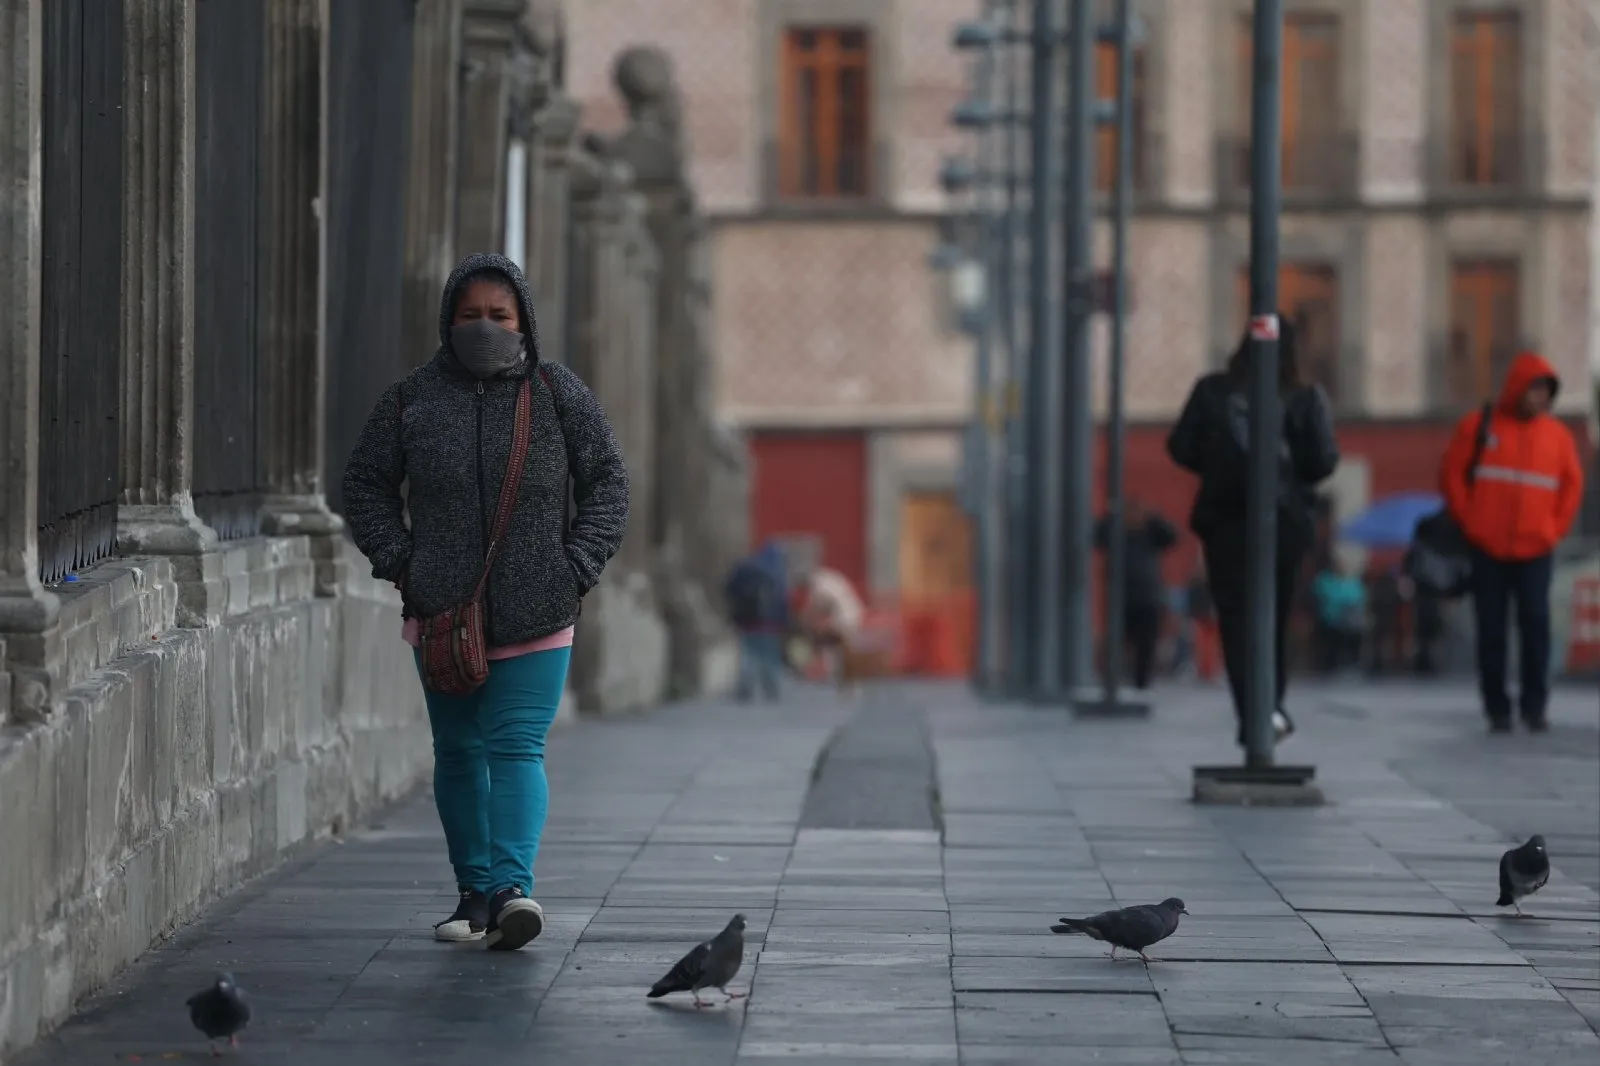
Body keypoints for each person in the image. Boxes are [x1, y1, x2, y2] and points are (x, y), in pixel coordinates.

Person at [342, 252, 629, 950]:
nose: (484, 327)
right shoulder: (410, 401)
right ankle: (472, 892)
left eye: (498, 316)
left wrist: (576, 566)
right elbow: (365, 486)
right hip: (442, 613)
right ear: (448, 320)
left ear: (523, 320)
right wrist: (404, 564)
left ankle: (510, 890)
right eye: (470, 315)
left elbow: (607, 483)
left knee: (518, 746)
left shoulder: (558, 395)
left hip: (540, 607)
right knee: (460, 751)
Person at [1166, 314, 1340, 748]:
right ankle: (1271, 711)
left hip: (1226, 521)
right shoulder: (1302, 396)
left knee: (1236, 620)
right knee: (1274, 619)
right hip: (1283, 524)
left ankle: (1253, 715)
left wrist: (1218, 465)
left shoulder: (1213, 391)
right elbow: (1322, 463)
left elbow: (1179, 446)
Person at [1439, 351, 1585, 733]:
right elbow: (1452, 475)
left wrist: (1554, 530)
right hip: (1487, 547)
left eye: (1546, 392)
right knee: (1491, 630)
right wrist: (1471, 521)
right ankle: (1497, 707)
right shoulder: (1478, 427)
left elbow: (1572, 487)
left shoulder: (1558, 438)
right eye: (1535, 389)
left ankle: (1535, 706)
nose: (1539, 398)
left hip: (1536, 548)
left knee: (1536, 624)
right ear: (1518, 388)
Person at [1092, 499, 1179, 690]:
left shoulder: (1150, 532)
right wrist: (1112, 517)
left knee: (1146, 641)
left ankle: (1142, 681)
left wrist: (1154, 518)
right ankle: (1115, 678)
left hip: (1148, 596)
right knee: (1117, 640)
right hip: (1121, 597)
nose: (1133, 517)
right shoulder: (1115, 532)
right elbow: (1095, 536)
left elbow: (1172, 538)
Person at [724, 542, 789, 701]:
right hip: (771, 625)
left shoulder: (746, 568)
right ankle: (771, 689)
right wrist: (786, 622)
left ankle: (746, 686)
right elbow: (784, 600)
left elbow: (728, 589)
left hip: (748, 621)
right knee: (770, 656)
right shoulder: (777, 572)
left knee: (748, 654)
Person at [1310, 559, 1366, 673]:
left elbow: (1359, 597)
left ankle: (1352, 661)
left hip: (1350, 621)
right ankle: (1331, 662)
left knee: (1357, 626)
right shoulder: (1323, 580)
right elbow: (1325, 597)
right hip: (1330, 620)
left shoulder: (1351, 580)